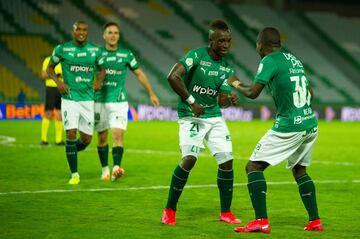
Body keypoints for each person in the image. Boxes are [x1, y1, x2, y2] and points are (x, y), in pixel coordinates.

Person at [229, 27, 323, 233]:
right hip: (309, 123)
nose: (256, 49)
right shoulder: (294, 59)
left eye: (256, 45)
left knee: (253, 167)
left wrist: (235, 83)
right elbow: (310, 93)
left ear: (262, 44)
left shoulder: (269, 61)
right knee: (300, 170)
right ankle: (315, 220)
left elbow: (253, 93)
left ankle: (261, 221)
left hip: (290, 125)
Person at [161, 19, 241, 225]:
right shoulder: (196, 55)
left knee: (227, 161)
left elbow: (222, 102)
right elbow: (172, 76)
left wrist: (229, 99)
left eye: (228, 41)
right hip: (191, 115)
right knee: (189, 159)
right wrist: (191, 101)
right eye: (221, 40)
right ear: (211, 40)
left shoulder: (226, 68)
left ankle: (225, 213)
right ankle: (169, 209)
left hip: (213, 117)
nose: (225, 45)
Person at [94, 22, 160, 181]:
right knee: (102, 137)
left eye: (116, 33)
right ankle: (105, 170)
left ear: (118, 36)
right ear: (104, 35)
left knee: (117, 135)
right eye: (109, 32)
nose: (113, 35)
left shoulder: (126, 54)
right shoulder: (95, 54)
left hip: (119, 101)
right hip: (99, 101)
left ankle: (116, 168)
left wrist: (151, 93)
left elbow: (139, 73)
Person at [47, 21, 105, 185]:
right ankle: (74, 175)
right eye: (78, 29)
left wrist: (99, 81)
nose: (81, 32)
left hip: (88, 100)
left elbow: (102, 70)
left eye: (84, 30)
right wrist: (59, 83)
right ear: (72, 32)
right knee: (71, 134)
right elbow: (50, 68)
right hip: (69, 99)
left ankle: (69, 150)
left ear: (87, 32)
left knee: (86, 140)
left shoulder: (95, 51)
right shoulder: (62, 49)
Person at [40, 56, 64, 146]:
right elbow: (43, 75)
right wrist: (55, 74)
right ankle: (43, 140)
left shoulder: (64, 61)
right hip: (51, 89)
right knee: (48, 113)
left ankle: (58, 140)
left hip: (61, 88)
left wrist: (62, 75)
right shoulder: (48, 60)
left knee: (60, 114)